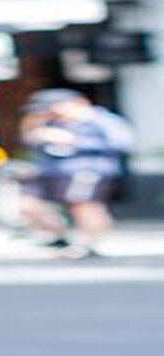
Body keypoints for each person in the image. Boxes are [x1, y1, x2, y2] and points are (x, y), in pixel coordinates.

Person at [19, 88, 134, 257]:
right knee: (27, 206)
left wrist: (76, 141)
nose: (52, 112)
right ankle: (59, 237)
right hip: (50, 172)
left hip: (87, 170)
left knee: (84, 206)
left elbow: (122, 143)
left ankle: (89, 244)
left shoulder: (101, 120)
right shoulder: (51, 122)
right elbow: (31, 143)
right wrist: (35, 131)